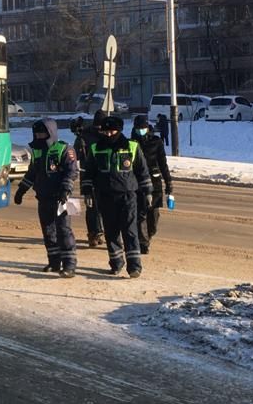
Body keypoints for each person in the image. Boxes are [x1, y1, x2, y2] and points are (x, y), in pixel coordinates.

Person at [84, 114, 152, 278]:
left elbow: (142, 171)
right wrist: (87, 192)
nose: (108, 135)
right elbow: (89, 174)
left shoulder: (132, 147)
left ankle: (134, 266)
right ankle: (116, 263)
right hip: (105, 196)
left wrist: (148, 191)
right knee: (111, 231)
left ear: (119, 130)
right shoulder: (96, 148)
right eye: (105, 132)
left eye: (112, 131)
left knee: (130, 231)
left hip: (128, 195)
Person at [14, 118, 79, 277]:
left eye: (43, 133)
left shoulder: (64, 148)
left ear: (51, 132)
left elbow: (72, 172)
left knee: (64, 230)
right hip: (44, 197)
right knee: (48, 231)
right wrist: (21, 189)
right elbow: (32, 173)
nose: (40, 136)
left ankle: (70, 265)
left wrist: (66, 189)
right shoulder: (36, 150)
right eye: (37, 133)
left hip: (63, 198)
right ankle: (54, 262)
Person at [131, 114, 173, 254]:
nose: (140, 131)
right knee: (140, 214)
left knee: (153, 215)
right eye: (137, 128)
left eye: (142, 128)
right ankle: (143, 242)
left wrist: (168, 182)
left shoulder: (156, 142)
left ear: (147, 127)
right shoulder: (130, 143)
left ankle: (149, 234)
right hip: (137, 183)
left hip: (154, 183)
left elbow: (163, 163)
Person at [71, 109, 105, 248]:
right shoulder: (85, 137)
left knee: (97, 207)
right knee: (93, 207)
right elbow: (75, 154)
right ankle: (94, 234)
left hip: (99, 176)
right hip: (91, 177)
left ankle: (97, 233)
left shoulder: (87, 135)